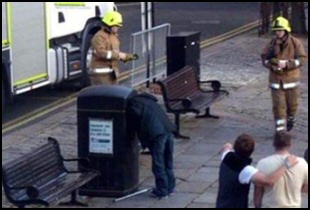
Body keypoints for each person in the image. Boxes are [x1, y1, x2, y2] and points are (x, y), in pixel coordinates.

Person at [216, 133, 297, 208]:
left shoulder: (226, 156)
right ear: (252, 151)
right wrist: (286, 165)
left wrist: (229, 146)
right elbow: (269, 181)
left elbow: (226, 147)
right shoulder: (246, 170)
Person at [261, 16, 307, 132]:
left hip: (291, 82)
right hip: (276, 82)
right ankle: (280, 132)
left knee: (292, 106)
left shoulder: (295, 43)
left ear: (286, 30)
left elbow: (302, 59)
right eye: (276, 30)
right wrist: (272, 65)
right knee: (278, 108)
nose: (277, 33)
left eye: (280, 30)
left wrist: (287, 64)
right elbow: (264, 59)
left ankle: (291, 119)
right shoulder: (271, 44)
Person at [127, 93, 177, 199]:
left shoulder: (133, 104)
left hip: (156, 134)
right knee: (167, 160)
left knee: (158, 163)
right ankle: (170, 187)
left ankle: (162, 190)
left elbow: (134, 118)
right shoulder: (149, 101)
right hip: (168, 129)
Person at [254, 131, 308, 208]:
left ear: (273, 144)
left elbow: (258, 193)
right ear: (290, 144)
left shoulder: (263, 163)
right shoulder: (302, 163)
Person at [88, 11, 130, 85]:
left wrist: (126, 57)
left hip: (112, 74)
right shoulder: (99, 37)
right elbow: (100, 53)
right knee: (104, 95)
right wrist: (118, 55)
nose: (118, 27)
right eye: (117, 26)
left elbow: (114, 52)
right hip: (101, 76)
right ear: (110, 24)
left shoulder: (113, 36)